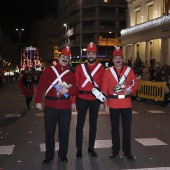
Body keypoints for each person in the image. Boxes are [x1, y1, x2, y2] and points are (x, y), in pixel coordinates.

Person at [35, 46, 78, 165]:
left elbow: (75, 90)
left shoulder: (71, 74)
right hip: (50, 106)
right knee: (49, 132)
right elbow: (41, 86)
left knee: (64, 132)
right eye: (63, 57)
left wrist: (67, 91)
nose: (65, 59)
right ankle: (49, 155)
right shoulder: (49, 70)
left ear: (69, 61)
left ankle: (62, 154)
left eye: (67, 58)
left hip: (65, 107)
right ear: (58, 58)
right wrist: (38, 100)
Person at [102, 46, 138, 160]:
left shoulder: (129, 70)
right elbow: (104, 89)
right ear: (112, 60)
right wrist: (106, 104)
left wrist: (131, 90)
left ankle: (127, 151)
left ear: (123, 59)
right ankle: (115, 150)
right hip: (113, 103)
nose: (118, 60)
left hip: (126, 103)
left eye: (120, 58)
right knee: (114, 128)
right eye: (116, 58)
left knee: (127, 128)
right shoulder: (107, 72)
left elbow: (135, 83)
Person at [71, 42, 105, 158]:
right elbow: (75, 85)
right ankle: (79, 148)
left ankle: (91, 148)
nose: (91, 56)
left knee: (93, 124)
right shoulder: (80, 67)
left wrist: (102, 101)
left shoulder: (101, 68)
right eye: (89, 53)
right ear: (87, 54)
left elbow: (102, 85)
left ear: (96, 55)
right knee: (80, 124)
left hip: (95, 99)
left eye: (93, 54)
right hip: (81, 99)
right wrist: (72, 101)